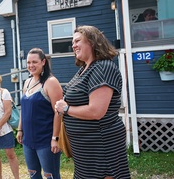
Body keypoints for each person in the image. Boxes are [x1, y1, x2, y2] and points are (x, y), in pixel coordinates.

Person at [55, 25, 131, 179]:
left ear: (92, 42)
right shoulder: (84, 69)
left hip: (101, 144)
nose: (73, 45)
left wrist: (66, 109)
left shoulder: (103, 68)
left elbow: (96, 111)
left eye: (77, 41)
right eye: (72, 42)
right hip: (85, 146)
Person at [16, 48, 63, 179]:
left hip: (46, 140)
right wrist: (20, 129)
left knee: (50, 176)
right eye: (29, 62)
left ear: (43, 62)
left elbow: (58, 113)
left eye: (34, 62)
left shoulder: (51, 82)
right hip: (28, 141)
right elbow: (23, 108)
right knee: (33, 175)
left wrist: (55, 138)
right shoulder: (27, 82)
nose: (31, 65)